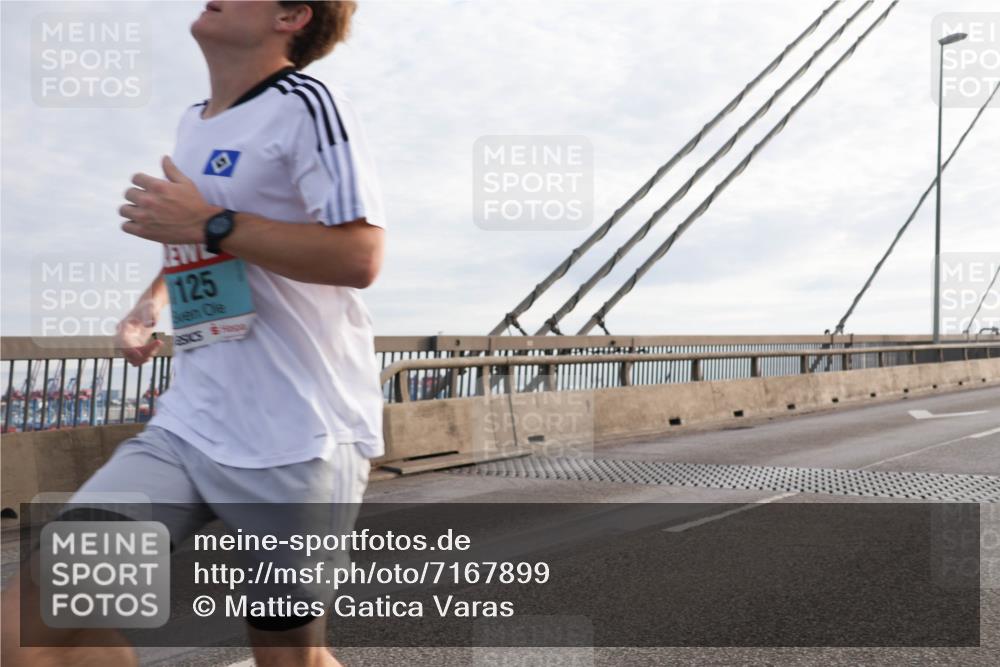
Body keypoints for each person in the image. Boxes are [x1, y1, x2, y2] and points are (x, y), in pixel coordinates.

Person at [1, 2, 384, 666]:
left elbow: (360, 256)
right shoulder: (193, 121)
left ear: (291, 15)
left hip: (296, 439)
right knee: (29, 628)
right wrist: (150, 302)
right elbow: (199, 237)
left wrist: (209, 221)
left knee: (289, 658)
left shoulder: (309, 105)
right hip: (187, 428)